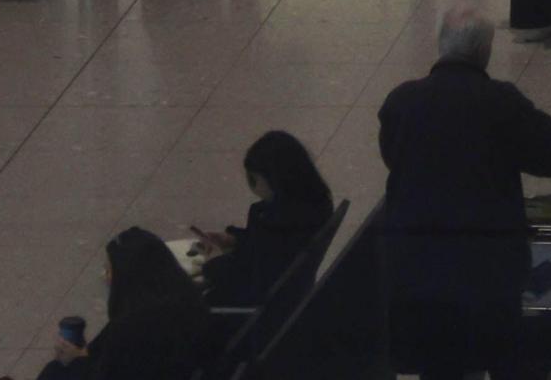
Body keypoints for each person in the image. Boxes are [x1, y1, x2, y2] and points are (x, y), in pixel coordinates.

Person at [374, 7, 551, 380]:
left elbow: (393, 158)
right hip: (489, 267)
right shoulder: (501, 103)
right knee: (512, 355)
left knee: (440, 363)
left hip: (415, 268)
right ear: (485, 52)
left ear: (441, 45)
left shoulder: (401, 102)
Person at [192, 129, 337, 313]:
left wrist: (213, 262)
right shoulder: (316, 205)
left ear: (274, 180)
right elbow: (267, 251)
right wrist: (235, 240)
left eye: (253, 179)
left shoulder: (274, 223)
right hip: (284, 300)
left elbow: (252, 276)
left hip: (247, 311)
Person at [35, 228, 210, 380]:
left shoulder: (132, 328)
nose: (107, 277)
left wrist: (77, 359)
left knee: (55, 371)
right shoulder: (187, 301)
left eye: (110, 270)